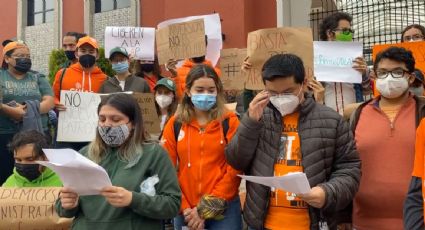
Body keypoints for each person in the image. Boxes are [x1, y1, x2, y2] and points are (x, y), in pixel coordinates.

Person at [225, 54, 361, 230]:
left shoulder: (331, 121)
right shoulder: (258, 117)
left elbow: (349, 169)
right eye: (273, 93)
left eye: (288, 92)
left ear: (304, 84)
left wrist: (327, 193)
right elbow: (236, 160)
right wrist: (250, 123)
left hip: (312, 223)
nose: (280, 97)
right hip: (262, 223)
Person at [56, 93, 181, 230]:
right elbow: (62, 208)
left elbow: (172, 204)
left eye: (116, 120)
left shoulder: (153, 154)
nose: (107, 125)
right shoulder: (84, 155)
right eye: (102, 119)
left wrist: (133, 199)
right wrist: (67, 204)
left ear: (133, 123)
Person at [348, 47, 425, 230]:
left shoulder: (422, 112)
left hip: (416, 223)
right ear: (374, 76)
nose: (389, 78)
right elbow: (346, 165)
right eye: (382, 72)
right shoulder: (358, 114)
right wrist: (342, 214)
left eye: (397, 72)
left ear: (411, 77)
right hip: (363, 222)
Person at [161, 64, 242, 230]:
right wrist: (185, 207)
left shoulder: (230, 121)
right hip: (187, 211)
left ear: (217, 91)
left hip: (224, 210)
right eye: (199, 90)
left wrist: (205, 209)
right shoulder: (175, 124)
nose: (205, 94)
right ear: (188, 91)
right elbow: (165, 168)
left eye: (211, 90)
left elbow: (235, 168)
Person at [0, 41, 55, 185]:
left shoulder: (38, 77)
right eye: (19, 55)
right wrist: (12, 111)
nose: (25, 58)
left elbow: (49, 101)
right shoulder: (1, 76)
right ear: (7, 59)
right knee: (5, 174)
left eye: (27, 55)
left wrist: (27, 110)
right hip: (6, 134)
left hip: (38, 133)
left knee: (38, 173)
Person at [52, 36, 107, 151]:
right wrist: (56, 103)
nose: (87, 54)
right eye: (83, 51)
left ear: (97, 55)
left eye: (91, 51)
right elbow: (53, 96)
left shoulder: (105, 79)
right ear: (76, 54)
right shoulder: (62, 74)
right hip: (66, 133)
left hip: (94, 135)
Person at [319, 12, 370, 115]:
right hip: (326, 118)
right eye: (345, 31)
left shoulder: (356, 57)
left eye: (351, 31)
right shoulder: (316, 59)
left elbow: (367, 90)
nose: (350, 34)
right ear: (330, 33)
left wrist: (364, 73)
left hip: (353, 118)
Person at [166, 36, 221, 102]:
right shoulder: (177, 73)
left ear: (206, 48)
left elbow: (221, 99)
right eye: (194, 45)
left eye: (201, 45)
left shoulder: (218, 72)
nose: (198, 49)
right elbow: (178, 100)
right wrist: (175, 76)